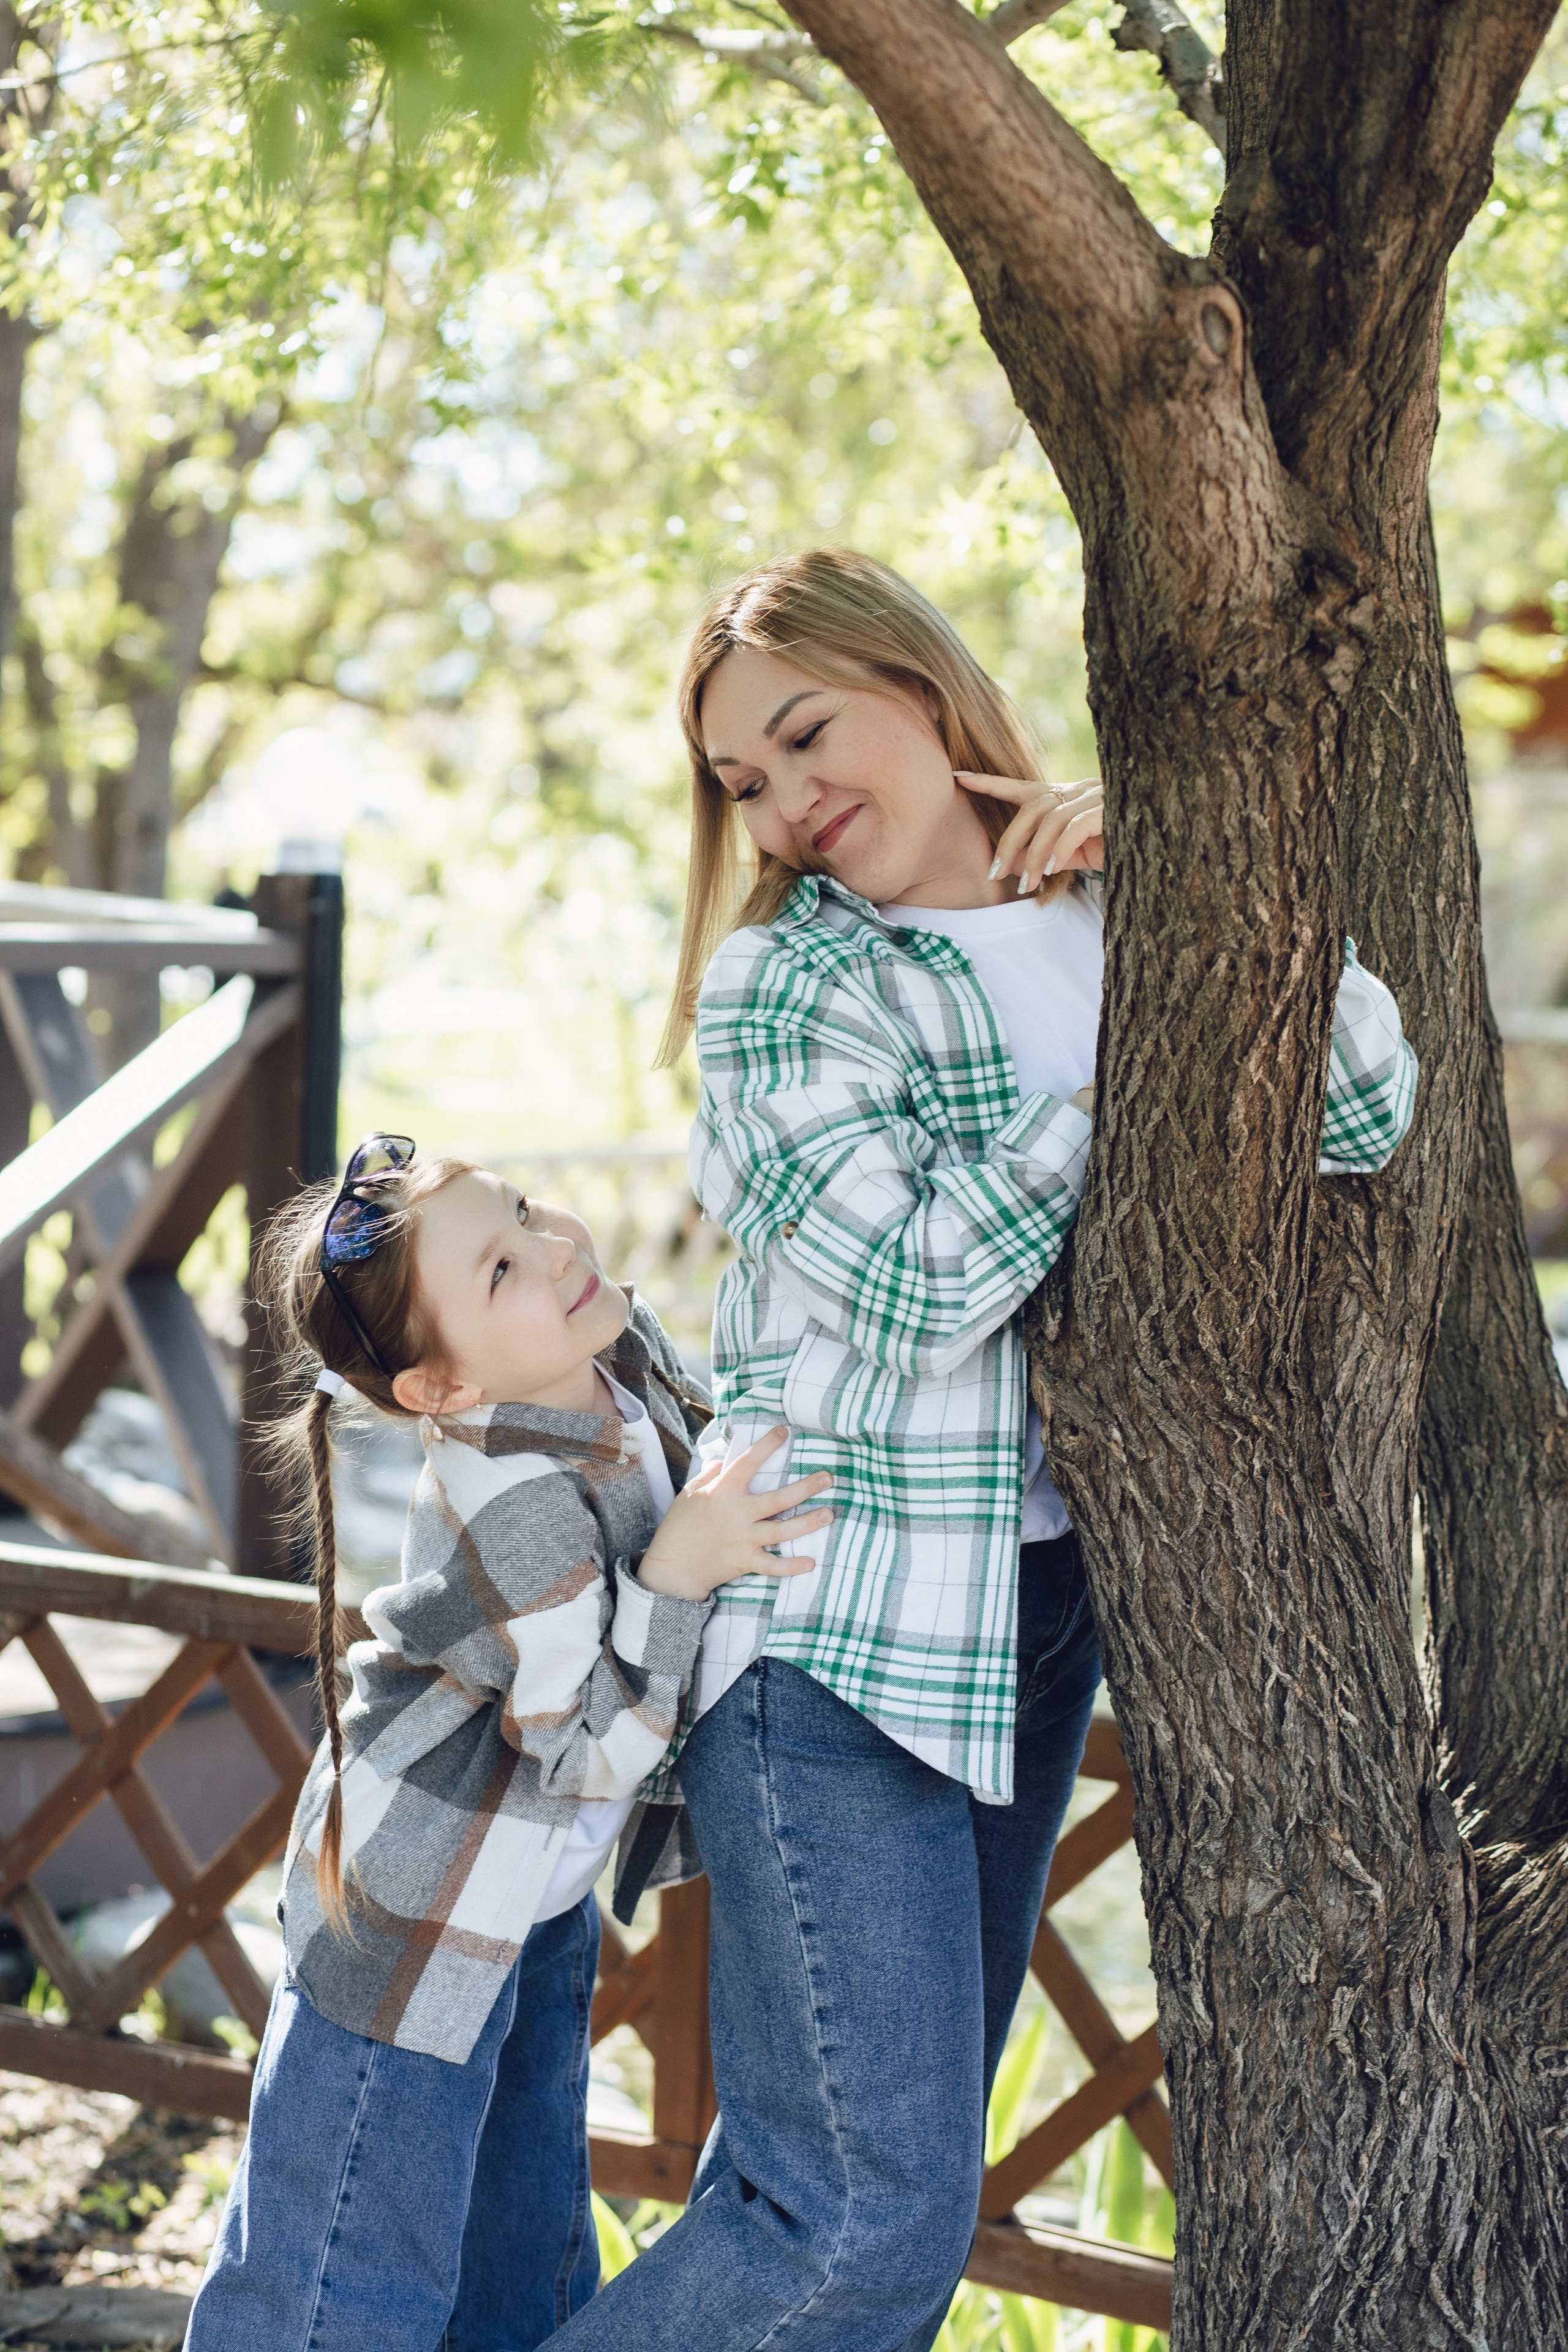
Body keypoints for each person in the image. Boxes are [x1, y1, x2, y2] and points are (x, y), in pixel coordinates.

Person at [541, 549, 1419, 2352]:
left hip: (1034, 1620)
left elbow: (1364, 1107)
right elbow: (916, 1285)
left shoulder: (1122, 904)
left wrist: (1192, 894)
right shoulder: (786, 993)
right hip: (832, 1631)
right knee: (854, 2226)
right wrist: (1133, 1098)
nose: (785, 803)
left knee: (865, 2208)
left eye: (805, 736)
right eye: (743, 782)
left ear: (923, 685)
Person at [185, 1137, 829, 2352]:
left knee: (520, 2245)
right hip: (415, 1910)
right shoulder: (512, 1503)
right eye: (498, 1269)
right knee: (338, 2270)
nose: (550, 1251)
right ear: (436, 1388)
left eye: (525, 1213)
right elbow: (581, 1750)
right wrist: (677, 1575)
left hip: (526, 1906)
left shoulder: (606, 1358)